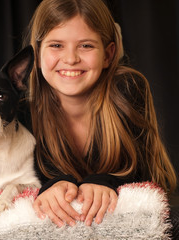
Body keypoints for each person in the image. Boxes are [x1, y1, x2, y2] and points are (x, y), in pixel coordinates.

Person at [19, 0, 177, 228]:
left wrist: (104, 181)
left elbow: (148, 175)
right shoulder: (21, 115)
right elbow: (16, 184)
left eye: (86, 46)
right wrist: (53, 186)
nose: (71, 58)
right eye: (56, 45)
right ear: (37, 53)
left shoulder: (128, 92)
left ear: (108, 54)